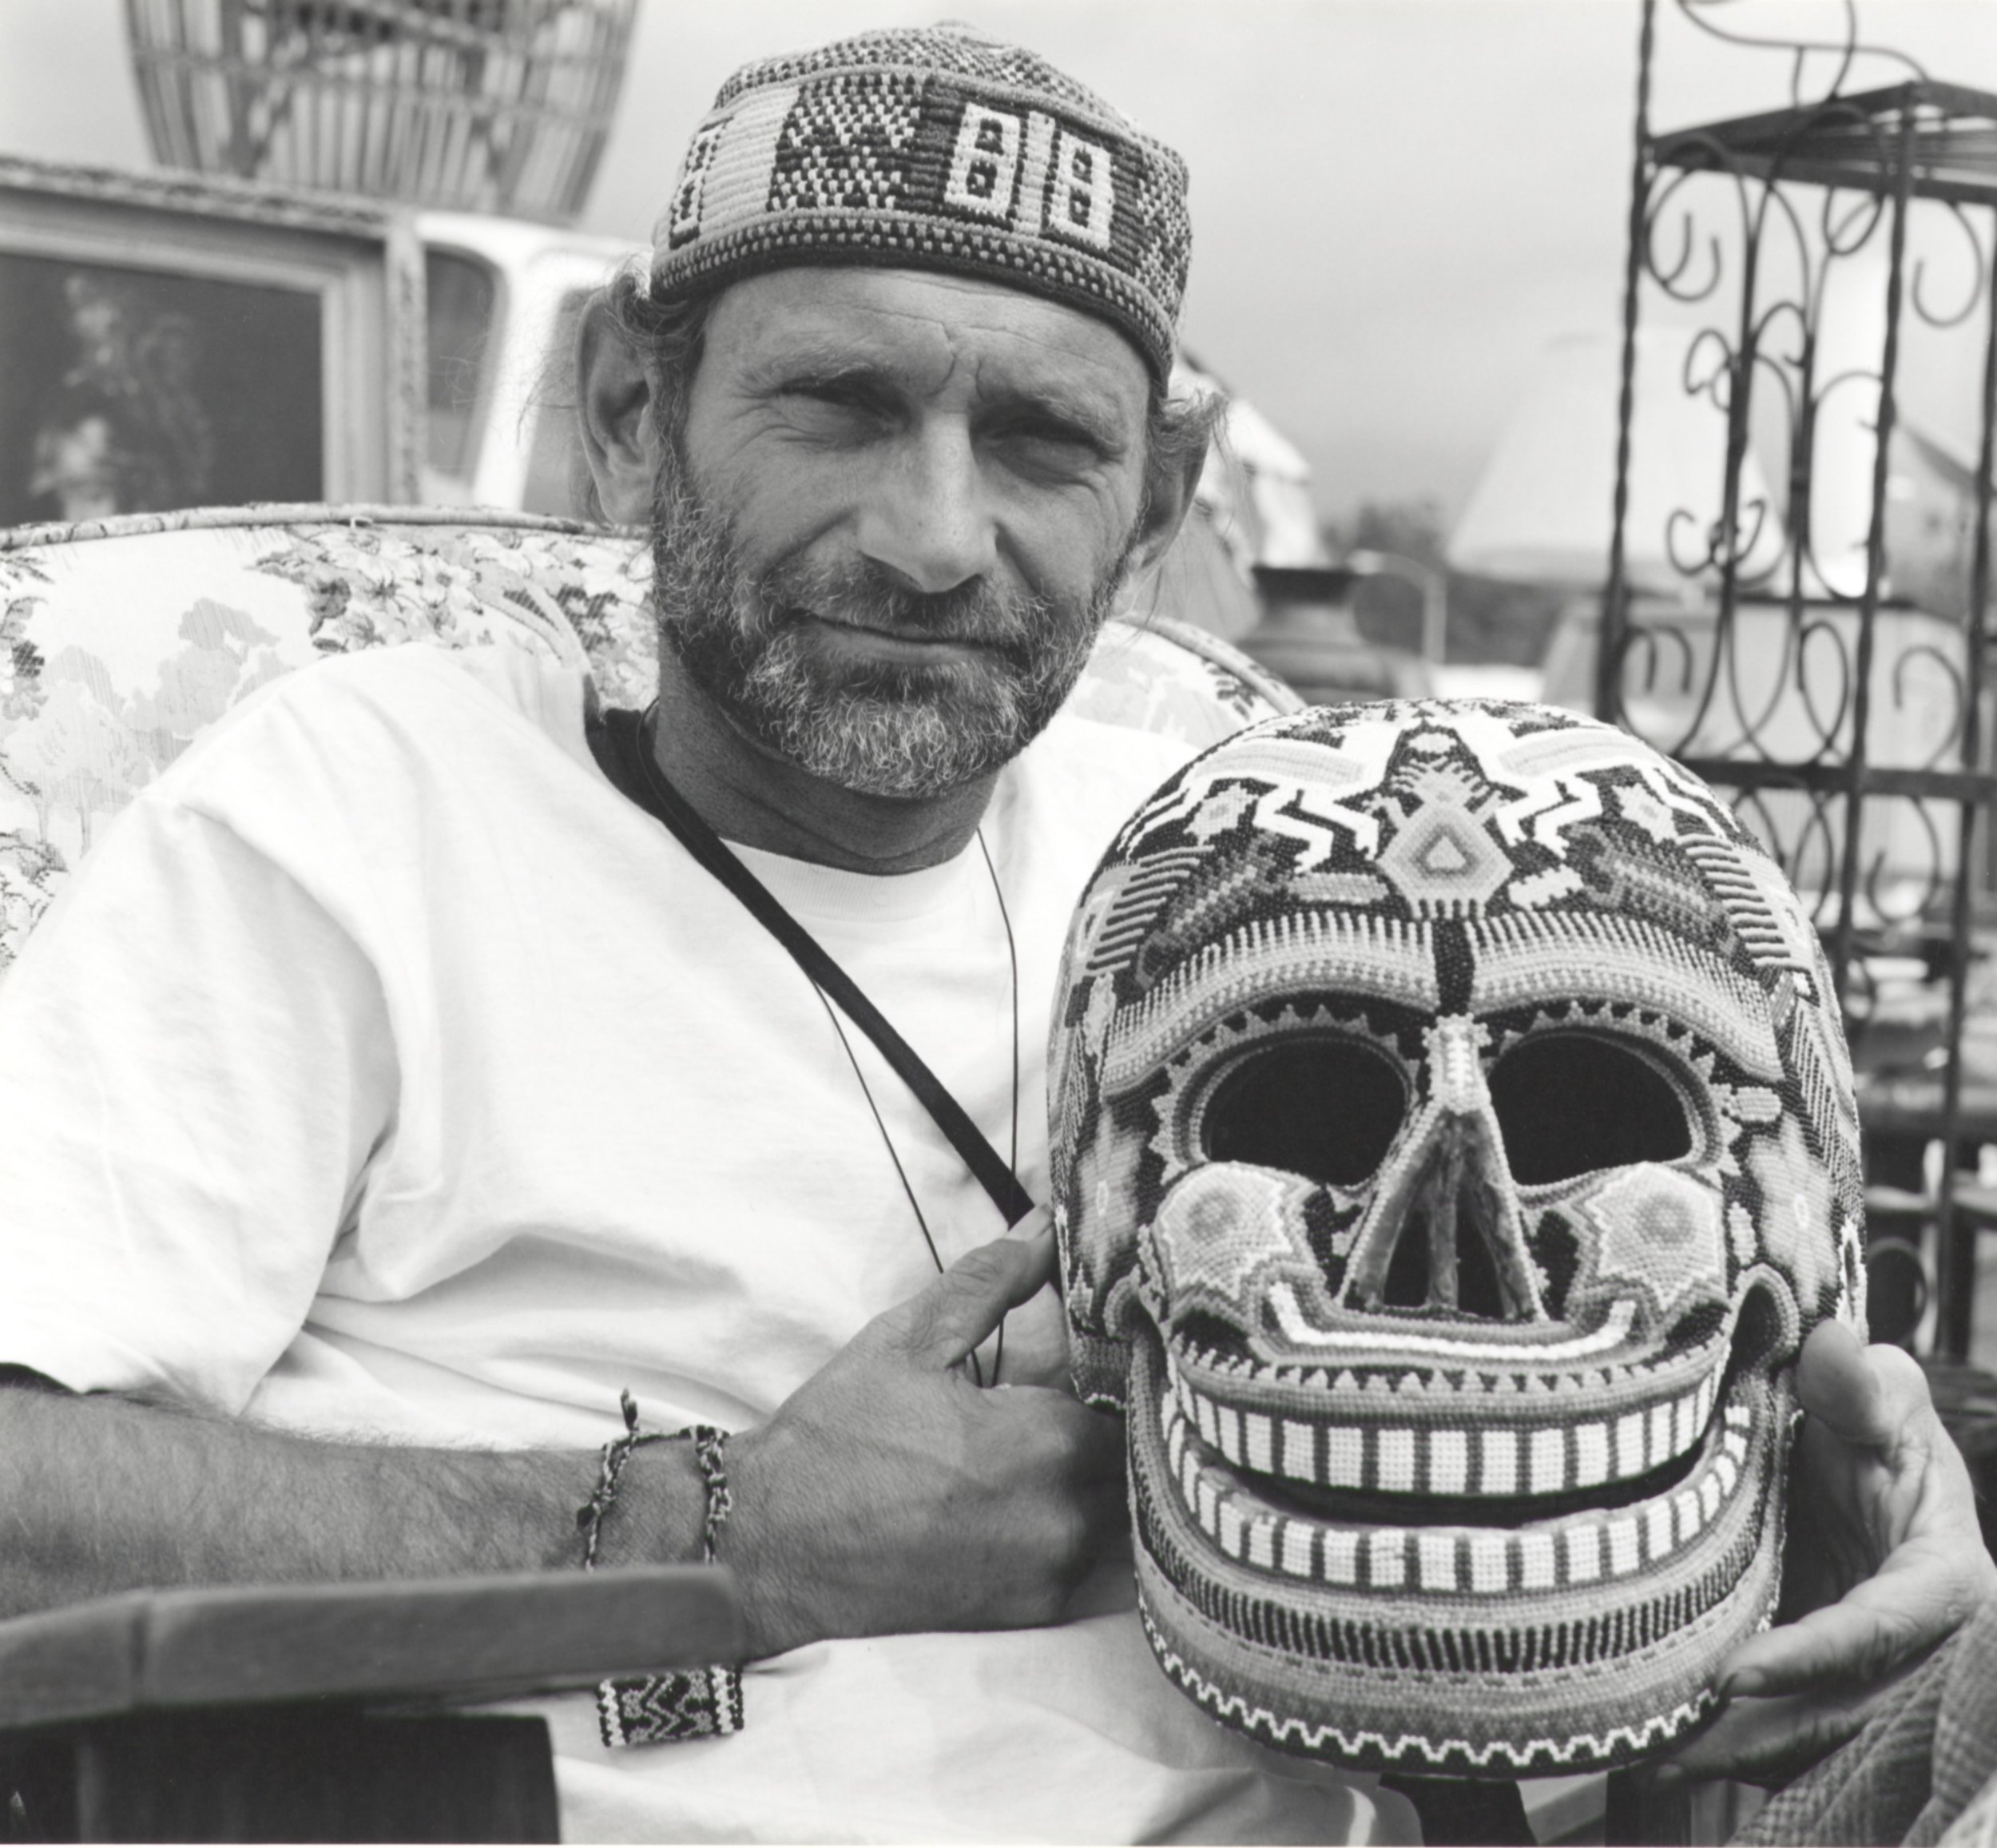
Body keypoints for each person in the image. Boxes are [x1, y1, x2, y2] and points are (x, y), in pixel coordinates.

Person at [0, 22, 1986, 1845]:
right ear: (631, 408)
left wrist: (1868, 1482)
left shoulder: (1226, 832)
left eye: (1041, 443)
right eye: (840, 403)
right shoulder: (366, 801)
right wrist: (739, 1533)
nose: (933, 534)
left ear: (1155, 499)